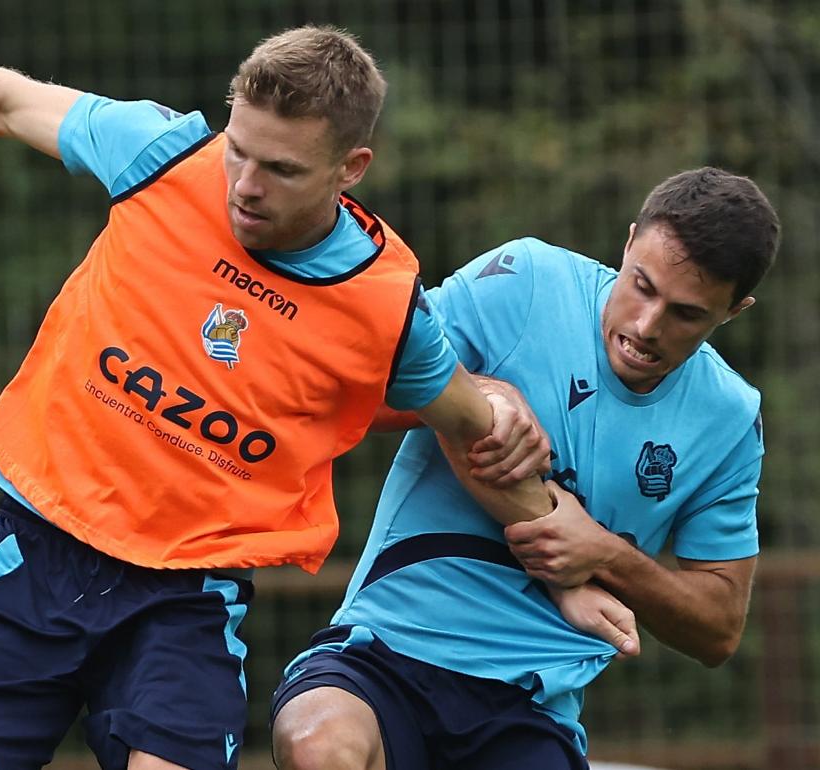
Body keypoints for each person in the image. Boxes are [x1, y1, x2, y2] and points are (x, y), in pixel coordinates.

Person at [0, 26, 596, 770]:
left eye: (281, 170)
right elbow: (1, 97)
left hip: (184, 600)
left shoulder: (385, 306)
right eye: (239, 151)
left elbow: (477, 435)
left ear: (350, 167)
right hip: (34, 554)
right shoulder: (165, 155)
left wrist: (579, 575)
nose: (244, 186)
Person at [271, 167, 781, 770]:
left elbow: (718, 629)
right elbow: (345, 389)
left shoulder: (728, 419)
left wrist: (605, 555)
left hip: (528, 704)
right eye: (641, 286)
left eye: (686, 314)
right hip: (384, 648)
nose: (647, 326)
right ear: (628, 243)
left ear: (735, 310)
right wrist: (478, 392)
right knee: (316, 741)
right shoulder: (527, 280)